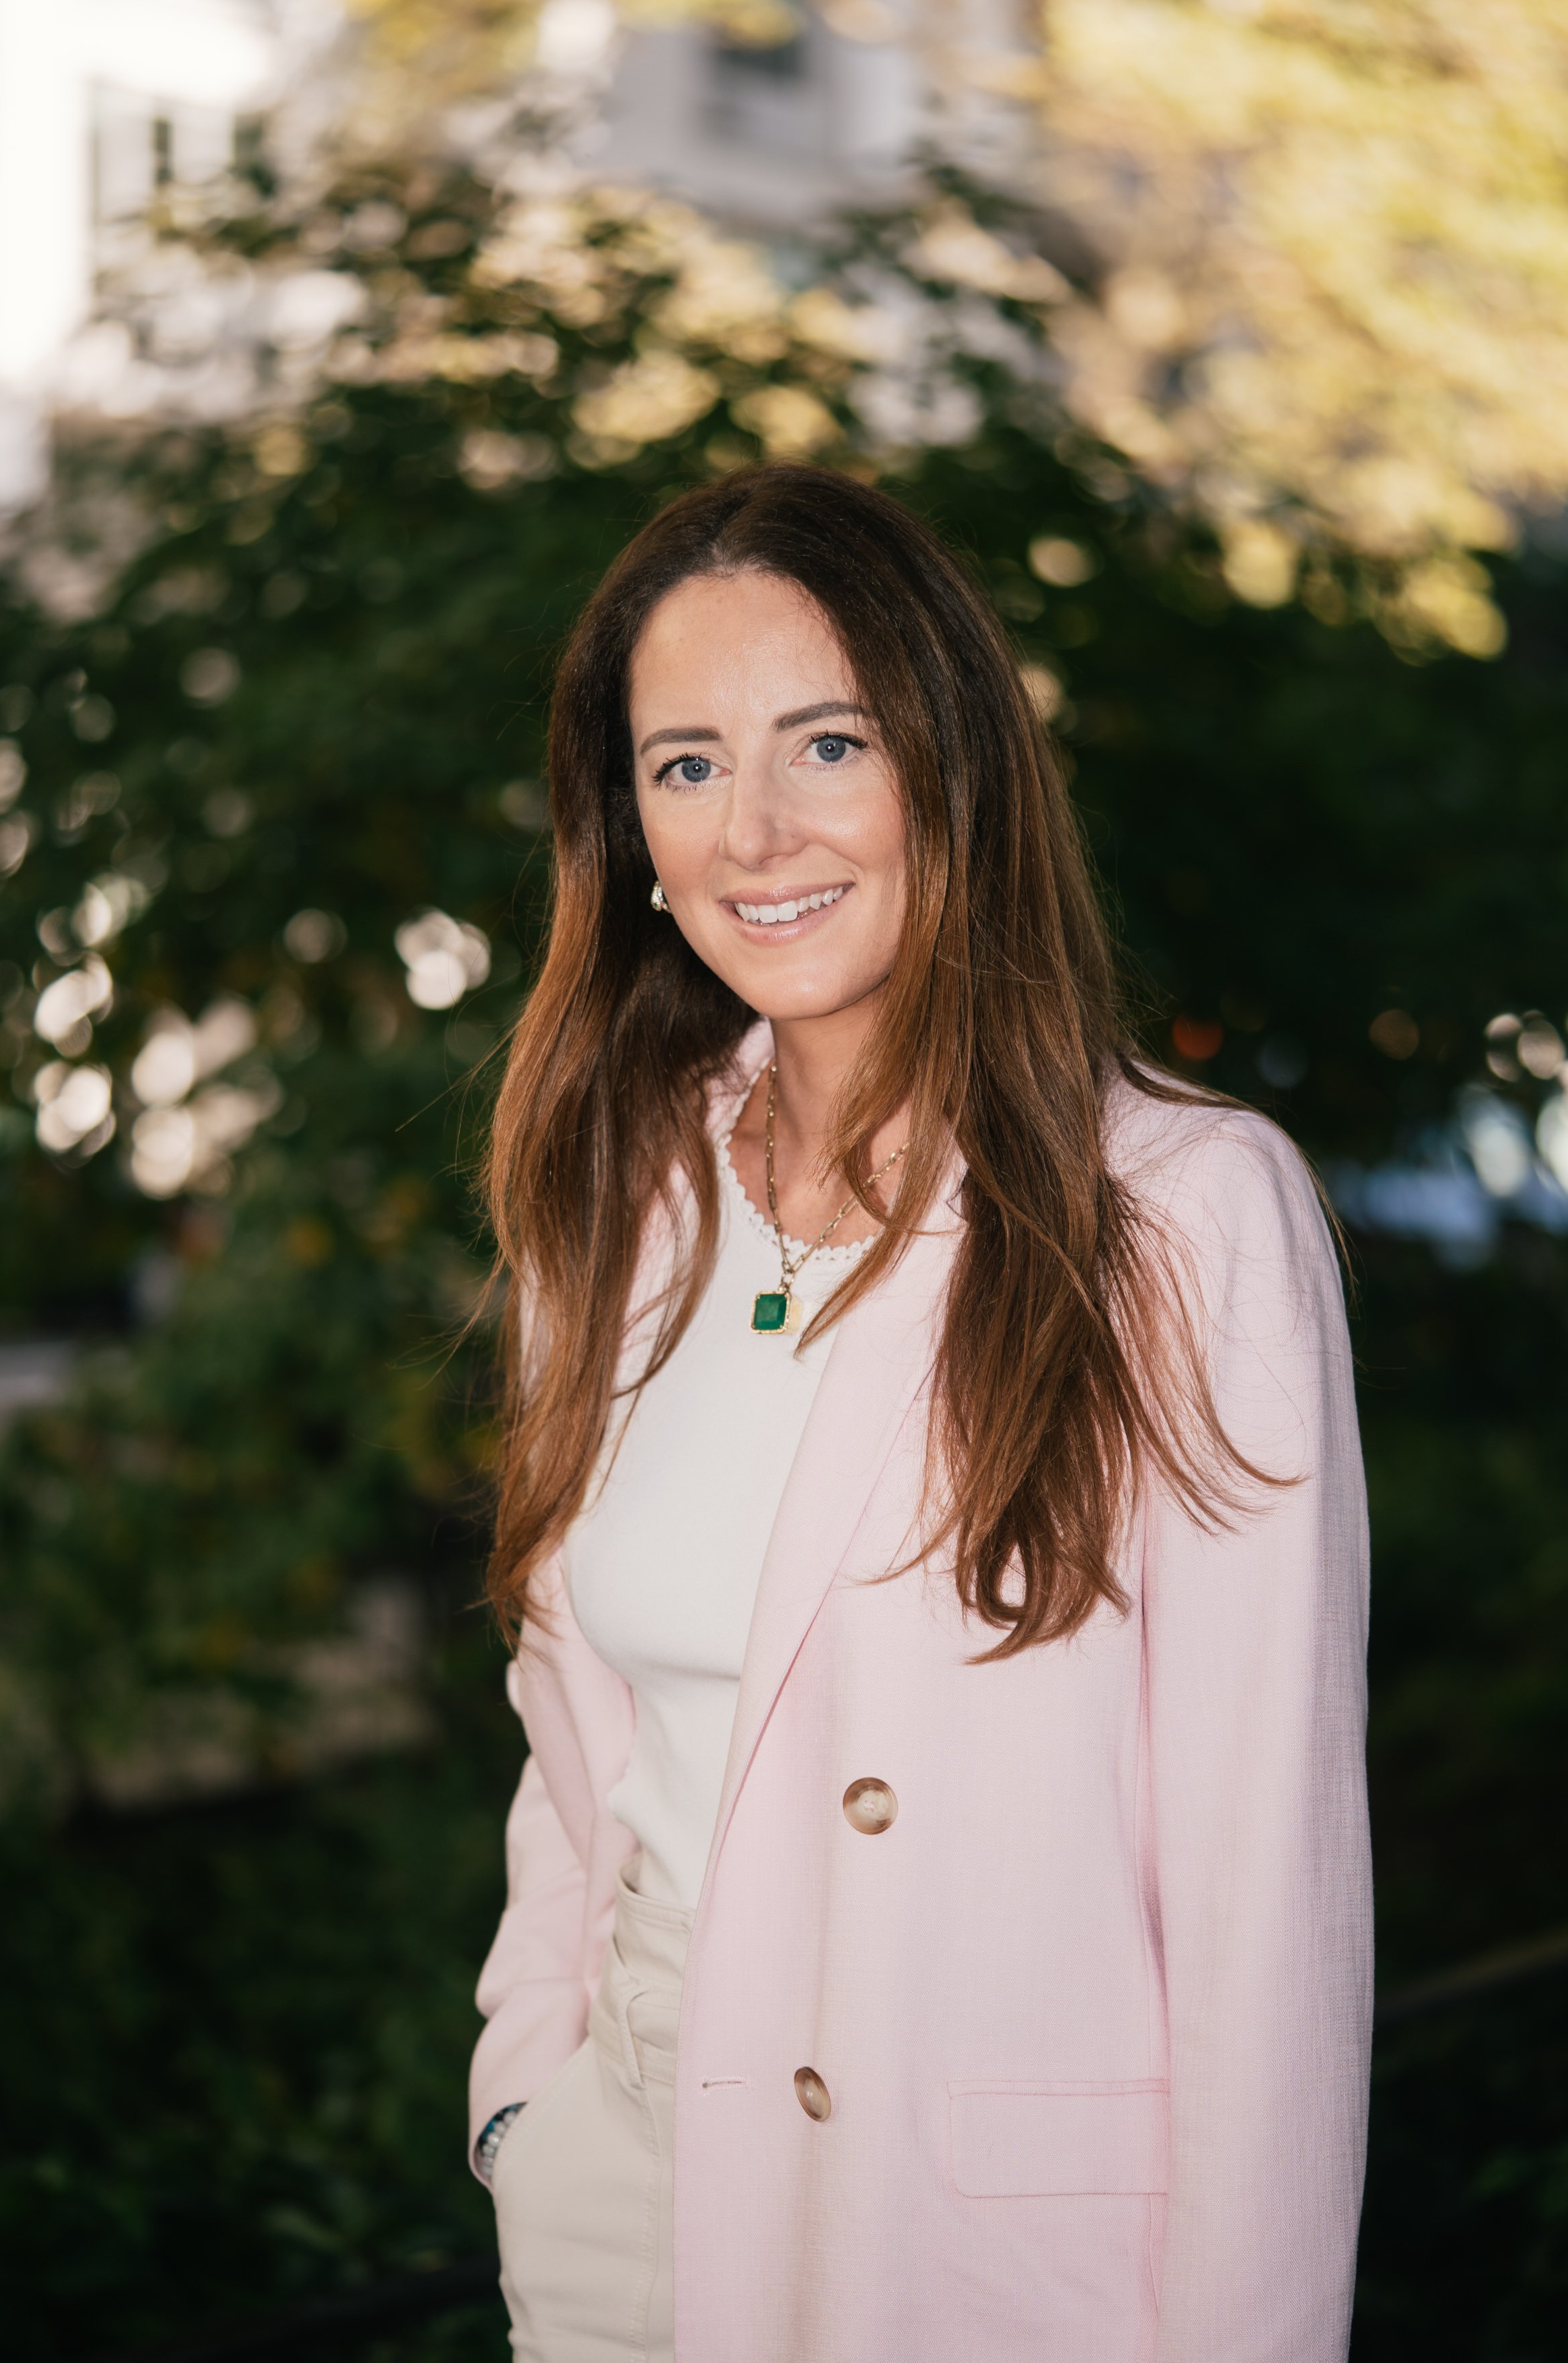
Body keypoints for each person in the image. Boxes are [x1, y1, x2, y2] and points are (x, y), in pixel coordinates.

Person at [468, 462, 1372, 2363]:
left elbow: (1258, 1907)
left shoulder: (1182, 1214)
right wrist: (524, 2089)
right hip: (627, 2203)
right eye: (686, 763)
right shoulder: (618, 1195)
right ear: (625, 823)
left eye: (827, 740)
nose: (756, 826)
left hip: (972, 2257)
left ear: (950, 767)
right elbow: (580, 1741)